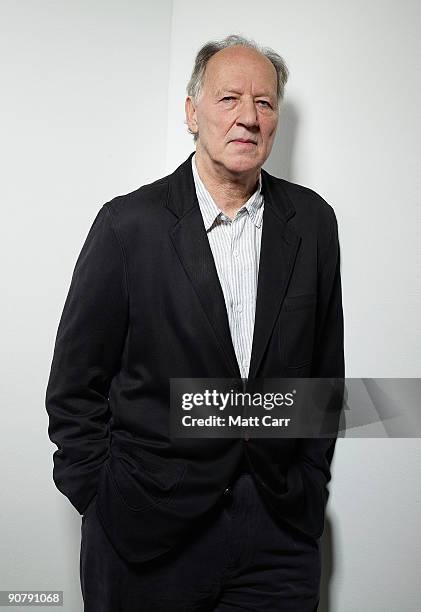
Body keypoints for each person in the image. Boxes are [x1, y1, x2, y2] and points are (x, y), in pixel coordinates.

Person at [46, 34, 344, 611]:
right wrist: (105, 502)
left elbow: (323, 378)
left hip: (277, 533)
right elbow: (73, 389)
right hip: (147, 535)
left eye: (264, 102)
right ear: (192, 112)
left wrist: (308, 484)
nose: (248, 118)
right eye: (229, 98)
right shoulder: (127, 225)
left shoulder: (312, 224)